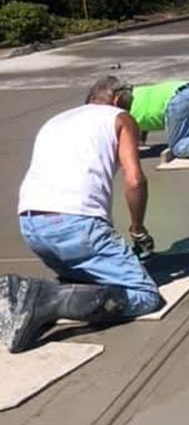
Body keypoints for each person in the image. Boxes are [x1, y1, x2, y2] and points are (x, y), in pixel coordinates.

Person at [1, 75, 162, 354]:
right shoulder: (119, 117)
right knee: (145, 296)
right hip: (76, 223)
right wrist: (137, 228)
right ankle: (49, 299)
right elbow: (135, 180)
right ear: (116, 100)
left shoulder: (57, 120)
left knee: (89, 283)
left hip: (31, 224)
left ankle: (35, 302)